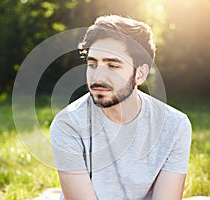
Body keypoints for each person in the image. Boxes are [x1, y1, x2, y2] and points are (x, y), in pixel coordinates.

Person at [50, 15, 192, 200]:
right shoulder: (67, 125)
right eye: (92, 64)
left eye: (113, 65)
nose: (98, 76)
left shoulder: (175, 125)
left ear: (140, 75)